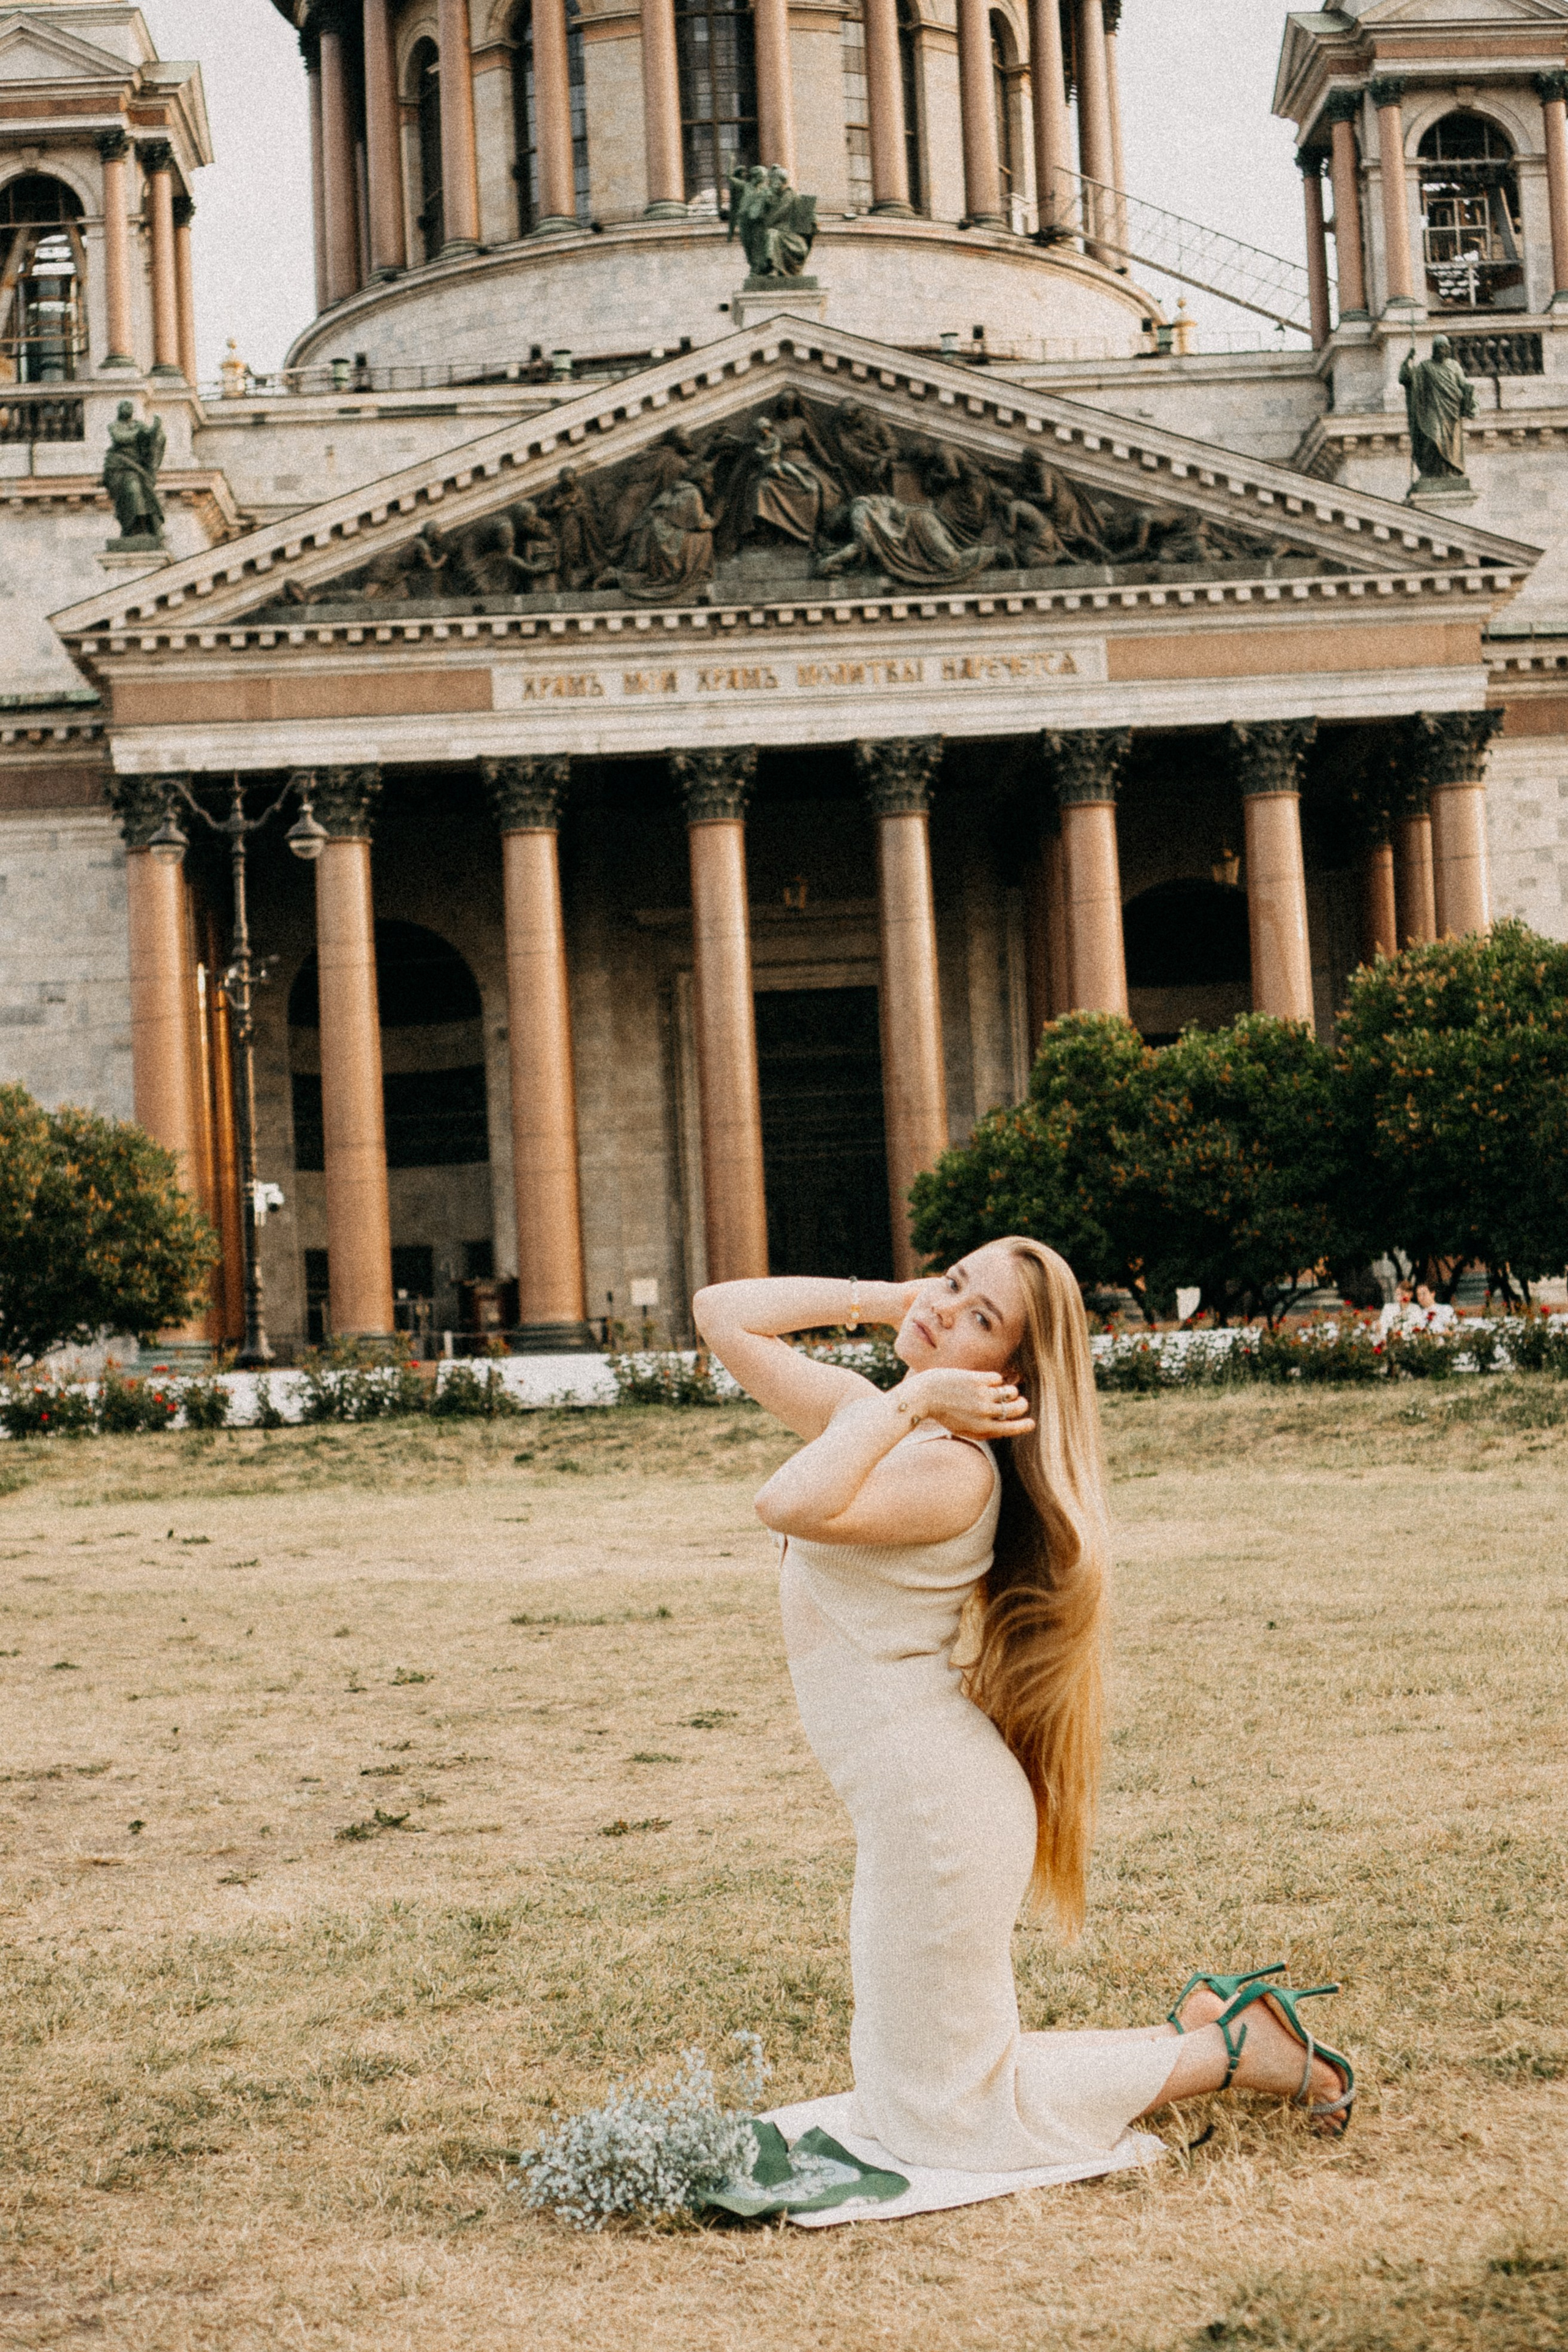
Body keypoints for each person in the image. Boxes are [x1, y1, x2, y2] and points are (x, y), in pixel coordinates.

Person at [696, 1245, 1354, 2187]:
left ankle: (1235, 2051)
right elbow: (720, 1312)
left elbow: (785, 1501)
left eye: (981, 1319)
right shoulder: (878, 1424)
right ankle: (1216, 2030)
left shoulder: (952, 1471)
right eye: (953, 1281)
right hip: (916, 1803)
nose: (946, 1308)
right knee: (923, 2093)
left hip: (938, 1812)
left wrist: (919, 1397)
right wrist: (895, 1301)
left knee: (946, 2122)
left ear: (1010, 1378)